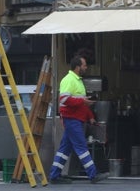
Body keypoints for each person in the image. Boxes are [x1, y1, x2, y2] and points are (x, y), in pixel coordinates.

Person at [48, 55, 109, 184]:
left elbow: (82, 103)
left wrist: (90, 117)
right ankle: (93, 174)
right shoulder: (69, 80)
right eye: (84, 65)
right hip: (72, 119)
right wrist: (83, 101)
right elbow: (64, 99)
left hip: (75, 119)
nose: (86, 67)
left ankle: (54, 175)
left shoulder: (77, 80)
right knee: (81, 146)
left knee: (64, 149)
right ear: (78, 67)